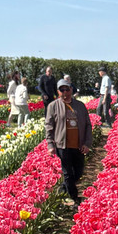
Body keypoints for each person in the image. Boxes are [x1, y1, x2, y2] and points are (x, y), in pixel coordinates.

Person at [44, 79, 92, 207]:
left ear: (71, 89)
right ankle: (74, 198)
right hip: (62, 145)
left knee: (78, 172)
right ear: (58, 91)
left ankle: (63, 188)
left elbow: (88, 125)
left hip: (78, 145)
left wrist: (87, 143)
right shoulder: (53, 106)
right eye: (62, 90)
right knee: (68, 173)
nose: (65, 92)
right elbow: (49, 126)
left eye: (67, 89)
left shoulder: (80, 106)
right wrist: (50, 144)